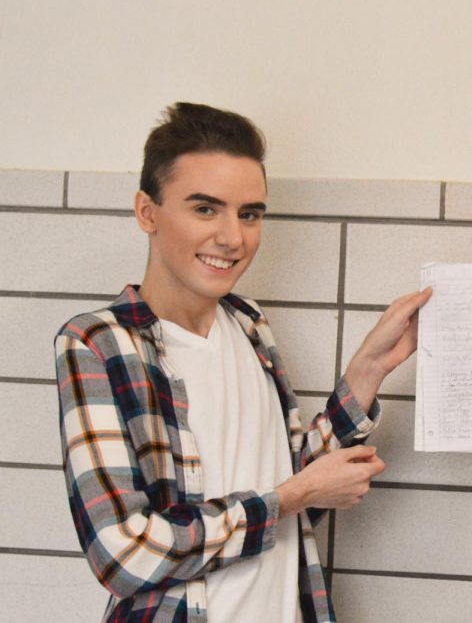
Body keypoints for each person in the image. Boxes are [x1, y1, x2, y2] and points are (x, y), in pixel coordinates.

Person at [55, 102, 430, 623]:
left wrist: (369, 368)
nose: (233, 238)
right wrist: (291, 496)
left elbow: (294, 494)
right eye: (205, 209)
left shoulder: (249, 323)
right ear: (147, 212)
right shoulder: (98, 343)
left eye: (249, 213)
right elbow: (122, 553)